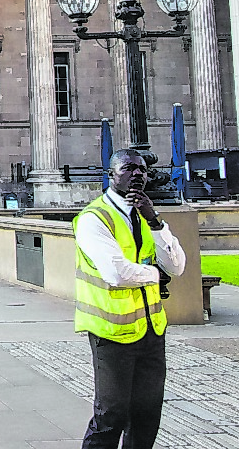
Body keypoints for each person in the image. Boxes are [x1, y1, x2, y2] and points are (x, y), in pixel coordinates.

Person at [74, 149, 186, 449]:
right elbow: (116, 273)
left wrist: (156, 221)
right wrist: (156, 276)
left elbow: (177, 265)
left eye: (142, 170)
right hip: (111, 332)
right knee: (110, 416)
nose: (137, 174)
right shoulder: (93, 219)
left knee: (147, 416)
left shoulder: (148, 217)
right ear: (111, 175)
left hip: (151, 331)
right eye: (128, 169)